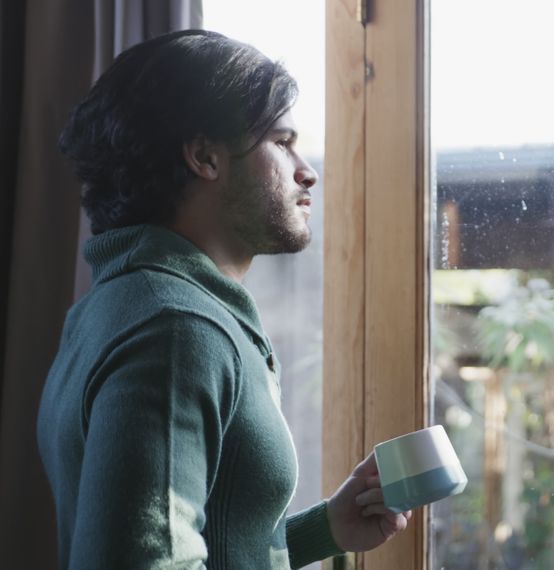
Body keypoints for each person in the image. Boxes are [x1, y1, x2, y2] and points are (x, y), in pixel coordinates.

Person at [36, 29, 409, 569]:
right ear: (205, 156)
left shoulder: (113, 306)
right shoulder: (177, 329)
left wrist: (325, 529)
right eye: (281, 142)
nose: (306, 170)